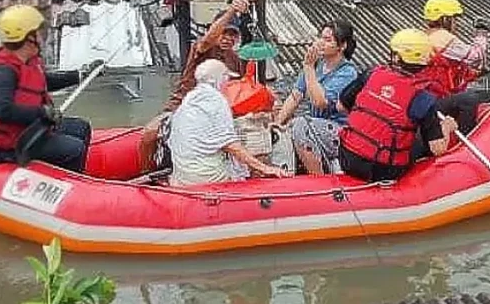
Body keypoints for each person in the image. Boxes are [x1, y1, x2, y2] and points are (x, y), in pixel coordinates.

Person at [0, 4, 103, 173]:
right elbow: (2, 111)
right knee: (74, 148)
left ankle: (74, 174)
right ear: (28, 37)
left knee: (81, 128)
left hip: (26, 131)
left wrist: (81, 74)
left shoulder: (25, 63)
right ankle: (69, 186)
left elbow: (43, 81)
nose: (42, 36)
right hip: (6, 147)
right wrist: (42, 113)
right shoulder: (2, 72)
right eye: (38, 32)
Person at [138, 0, 250, 172]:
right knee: (149, 133)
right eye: (224, 33)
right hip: (181, 106)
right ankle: (145, 172)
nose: (228, 38)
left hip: (214, 113)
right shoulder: (202, 47)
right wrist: (231, 11)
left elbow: (240, 91)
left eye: (232, 35)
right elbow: (207, 40)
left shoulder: (235, 60)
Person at [337, 29, 458, 183]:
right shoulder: (424, 98)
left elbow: (341, 106)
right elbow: (437, 149)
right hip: (383, 170)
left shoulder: (371, 74)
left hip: (347, 157)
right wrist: (447, 127)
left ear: (396, 56)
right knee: (418, 141)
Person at [166, 59, 289, 186]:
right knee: (245, 157)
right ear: (218, 80)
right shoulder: (217, 101)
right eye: (226, 79)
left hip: (182, 176)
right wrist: (265, 168)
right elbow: (231, 145)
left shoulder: (189, 99)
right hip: (208, 177)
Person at [274, 20, 358, 174]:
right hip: (316, 127)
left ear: (342, 45)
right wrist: (277, 124)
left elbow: (320, 102)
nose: (321, 43)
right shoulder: (316, 66)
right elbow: (295, 96)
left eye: (328, 40)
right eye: (321, 38)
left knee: (299, 125)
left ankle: (319, 178)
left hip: (338, 131)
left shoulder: (347, 73)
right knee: (283, 130)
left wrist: (308, 68)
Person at [419, 0, 490, 135]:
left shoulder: (425, 35)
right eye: (455, 19)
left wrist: (475, 74)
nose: (457, 23)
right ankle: (465, 135)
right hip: (436, 100)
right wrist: (481, 34)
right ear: (445, 19)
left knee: (483, 95)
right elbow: (476, 57)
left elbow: (447, 71)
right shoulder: (444, 38)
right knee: (478, 98)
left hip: (430, 96)